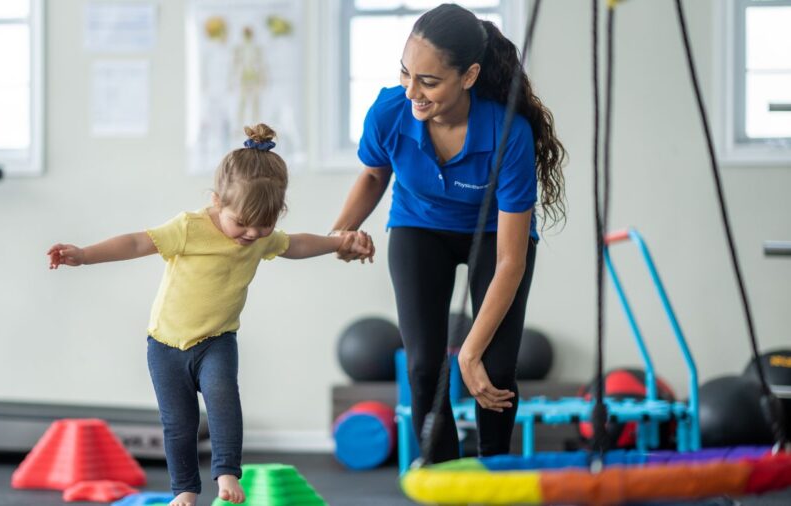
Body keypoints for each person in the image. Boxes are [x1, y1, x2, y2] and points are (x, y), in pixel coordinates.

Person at [47, 124, 373, 506]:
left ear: (276, 214)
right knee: (179, 424)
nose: (251, 234)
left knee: (223, 400)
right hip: (165, 344)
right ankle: (184, 490)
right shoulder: (189, 227)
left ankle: (226, 474)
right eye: (242, 223)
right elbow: (137, 242)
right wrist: (84, 255)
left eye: (263, 225)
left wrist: (339, 241)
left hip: (217, 339)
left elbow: (296, 244)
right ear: (218, 201)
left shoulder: (261, 235)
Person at [331, 4, 566, 463]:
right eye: (405, 74)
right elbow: (375, 176)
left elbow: (510, 261)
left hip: (495, 238)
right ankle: (442, 475)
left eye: (429, 81)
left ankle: (495, 468)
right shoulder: (389, 112)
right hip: (420, 228)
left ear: (469, 76)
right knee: (422, 367)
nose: (411, 91)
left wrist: (470, 353)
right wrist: (342, 230)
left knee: (494, 366)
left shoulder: (508, 134)